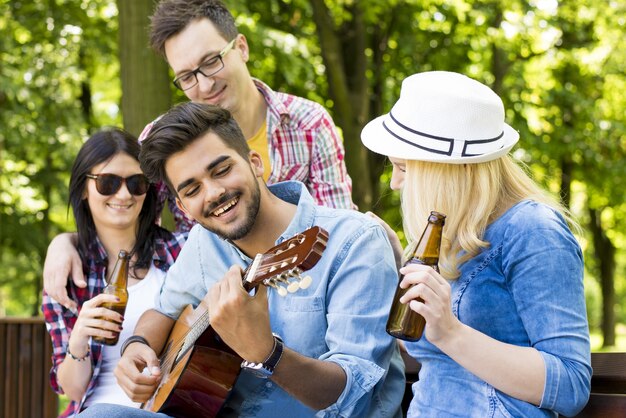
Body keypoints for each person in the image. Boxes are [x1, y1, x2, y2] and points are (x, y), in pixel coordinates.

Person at [75, 103, 404, 418]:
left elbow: (356, 399)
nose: (213, 193)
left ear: (255, 162)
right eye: (191, 190)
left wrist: (267, 352)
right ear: (182, 205)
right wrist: (137, 345)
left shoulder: (353, 243)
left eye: (221, 170)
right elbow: (163, 310)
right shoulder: (204, 243)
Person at [43, 0, 354, 313]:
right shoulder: (160, 142)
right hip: (207, 317)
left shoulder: (308, 122)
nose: (205, 85)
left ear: (241, 47)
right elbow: (129, 222)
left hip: (305, 298)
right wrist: (67, 241)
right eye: (187, 77)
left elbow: (338, 227)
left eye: (212, 62)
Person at [361, 71, 592, 417]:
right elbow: (434, 359)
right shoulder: (450, 237)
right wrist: (396, 262)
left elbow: (571, 385)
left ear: (445, 171)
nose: (395, 183)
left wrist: (451, 333)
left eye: (404, 169)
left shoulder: (533, 231)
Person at [42, 128, 186, 417]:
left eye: (136, 183)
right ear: (84, 188)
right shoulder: (67, 273)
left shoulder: (180, 252)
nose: (123, 194)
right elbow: (73, 391)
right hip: (95, 409)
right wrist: (79, 339)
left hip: (170, 406)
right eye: (108, 183)